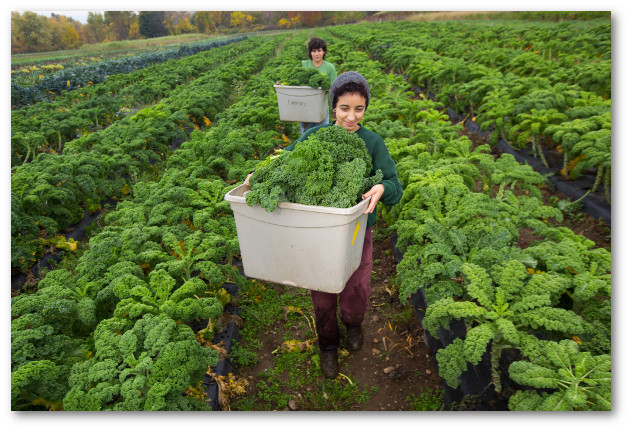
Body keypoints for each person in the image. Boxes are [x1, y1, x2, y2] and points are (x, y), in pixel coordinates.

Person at [246, 71, 403, 379]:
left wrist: (382, 188)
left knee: (357, 287)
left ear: (366, 109)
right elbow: (284, 161)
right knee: (321, 293)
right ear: (333, 106)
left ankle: (353, 325)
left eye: (359, 109)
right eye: (344, 108)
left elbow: (394, 185)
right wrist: (259, 175)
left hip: (358, 232)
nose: (350, 116)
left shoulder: (372, 142)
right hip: (317, 233)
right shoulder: (314, 136)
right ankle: (328, 345)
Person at [299, 37, 337, 134]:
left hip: (322, 109)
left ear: (323, 52)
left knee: (322, 136)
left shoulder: (329, 67)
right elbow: (293, 81)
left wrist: (330, 87)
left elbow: (335, 88)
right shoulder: (304, 65)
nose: (316, 54)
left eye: (319, 51)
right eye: (314, 51)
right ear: (310, 52)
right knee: (306, 137)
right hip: (305, 108)